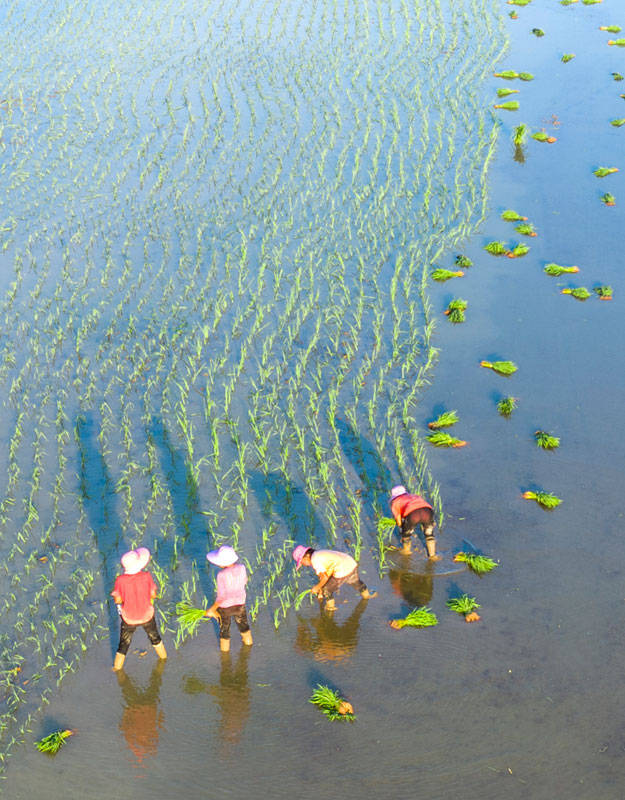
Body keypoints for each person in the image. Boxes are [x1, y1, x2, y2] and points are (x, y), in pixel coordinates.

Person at [111, 547, 167, 671]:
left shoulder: (120, 580)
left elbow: (118, 600)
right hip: (147, 615)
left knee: (123, 645)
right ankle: (164, 660)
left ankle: (116, 669)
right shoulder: (146, 576)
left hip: (129, 618)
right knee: (155, 638)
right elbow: (153, 594)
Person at [292, 545, 376, 611]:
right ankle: (367, 595)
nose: (303, 564)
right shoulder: (318, 554)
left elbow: (324, 577)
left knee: (327, 590)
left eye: (302, 562)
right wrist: (319, 591)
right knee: (355, 582)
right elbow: (323, 576)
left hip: (342, 570)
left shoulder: (315, 560)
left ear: (306, 557)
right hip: (350, 564)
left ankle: (330, 608)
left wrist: (317, 587)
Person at [204, 545, 253, 653]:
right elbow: (244, 581)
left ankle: (225, 658)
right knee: (244, 627)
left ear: (221, 563)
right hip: (240, 604)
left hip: (225, 608)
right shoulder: (242, 568)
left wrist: (212, 609)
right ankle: (249, 647)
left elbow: (222, 597)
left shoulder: (221, 574)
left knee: (224, 631)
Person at [389, 485, 439, 558]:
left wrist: (402, 526)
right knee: (429, 535)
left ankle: (406, 551)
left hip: (413, 514)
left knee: (406, 535)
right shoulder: (415, 496)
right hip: (428, 511)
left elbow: (399, 521)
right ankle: (433, 556)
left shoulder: (395, 502)